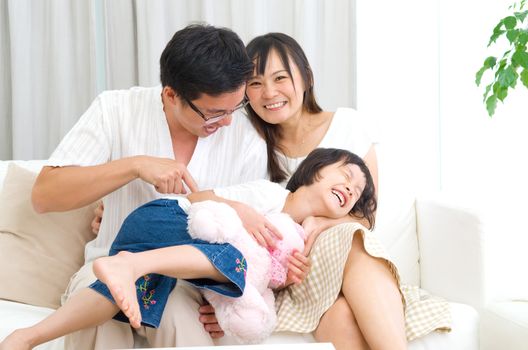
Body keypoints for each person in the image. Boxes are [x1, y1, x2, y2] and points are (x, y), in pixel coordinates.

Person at [29, 24, 271, 349]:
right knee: (99, 312)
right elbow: (45, 195)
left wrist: (234, 302)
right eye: (214, 114)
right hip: (109, 261)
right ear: (171, 95)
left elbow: (253, 241)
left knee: (182, 321)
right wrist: (134, 166)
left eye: (235, 107)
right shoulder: (115, 110)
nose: (227, 122)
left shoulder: (245, 137)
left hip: (189, 282)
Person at [0, 148, 377, 350]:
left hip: (167, 259)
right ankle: (130, 265)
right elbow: (199, 200)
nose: (350, 188)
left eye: (356, 192)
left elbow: (253, 281)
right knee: (234, 258)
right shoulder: (270, 194)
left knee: (133, 291)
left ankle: (27, 338)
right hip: (165, 220)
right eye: (346, 175)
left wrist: (229, 306)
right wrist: (241, 211)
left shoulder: (297, 237)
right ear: (315, 168)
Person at [198, 32, 408, 350]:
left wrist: (318, 225)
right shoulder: (247, 143)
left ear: (306, 77)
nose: (269, 93)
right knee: (340, 314)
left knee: (349, 251)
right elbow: (207, 199)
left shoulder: (348, 125)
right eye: (255, 84)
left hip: (351, 262)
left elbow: (366, 217)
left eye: (280, 78)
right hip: (294, 278)